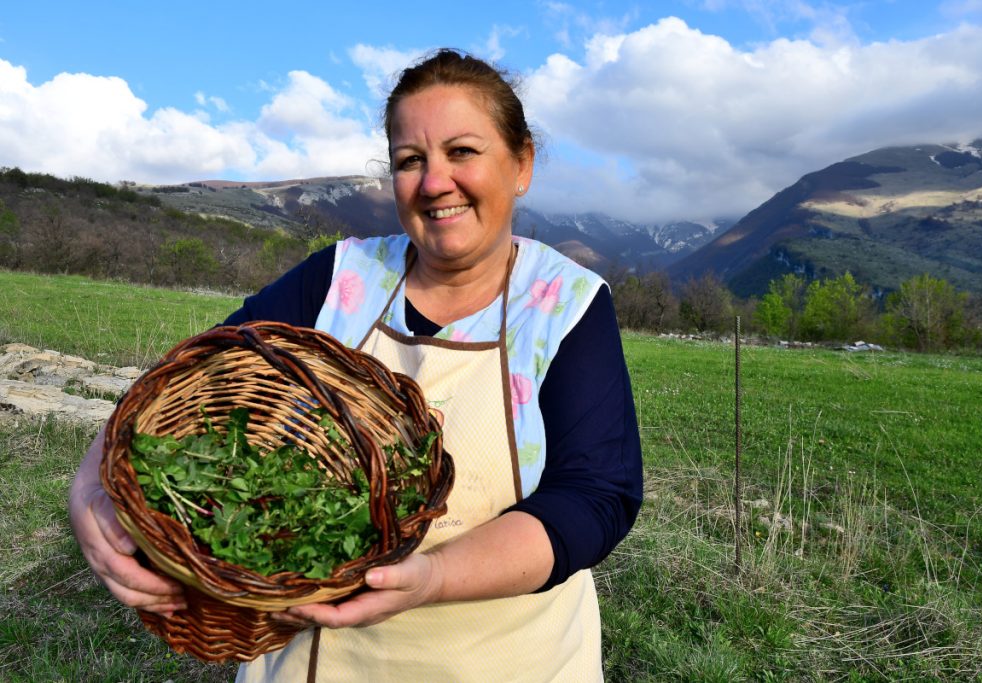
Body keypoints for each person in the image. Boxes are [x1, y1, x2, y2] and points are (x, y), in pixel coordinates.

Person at [69, 48, 643, 681]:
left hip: (497, 660)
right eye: (410, 160)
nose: (433, 183)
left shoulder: (566, 305)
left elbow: (596, 497)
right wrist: (92, 487)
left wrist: (435, 576)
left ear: (522, 163)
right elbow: (189, 380)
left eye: (462, 152)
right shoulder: (342, 276)